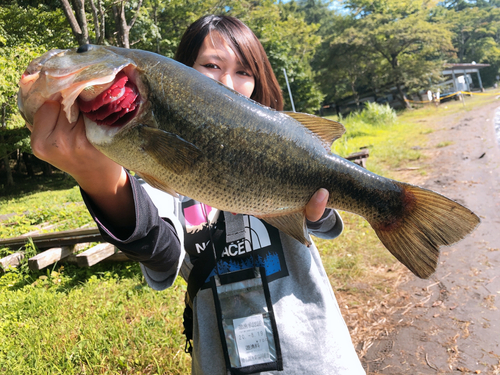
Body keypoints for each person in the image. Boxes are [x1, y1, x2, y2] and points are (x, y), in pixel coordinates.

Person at [29, 14, 365, 375]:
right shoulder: (160, 168)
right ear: (182, 71)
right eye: (211, 65)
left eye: (244, 72)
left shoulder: (282, 144)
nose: (227, 82)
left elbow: (325, 217)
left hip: (318, 358)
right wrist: (96, 176)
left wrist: (315, 212)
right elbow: (161, 253)